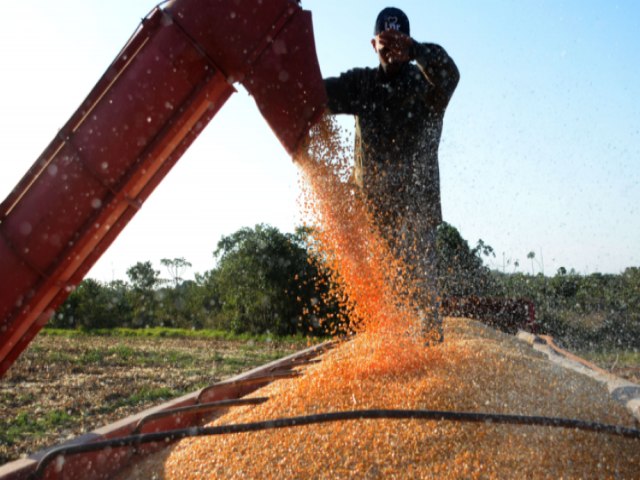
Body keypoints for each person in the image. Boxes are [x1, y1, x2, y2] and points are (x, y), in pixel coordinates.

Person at [323, 7, 460, 344]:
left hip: (417, 212)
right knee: (383, 300)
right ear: (373, 44)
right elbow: (313, 94)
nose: (392, 49)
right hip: (373, 213)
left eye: (400, 42)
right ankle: (387, 358)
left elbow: (451, 75)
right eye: (385, 42)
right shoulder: (361, 84)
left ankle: (428, 363)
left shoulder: (427, 86)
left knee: (422, 297)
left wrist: (416, 50)